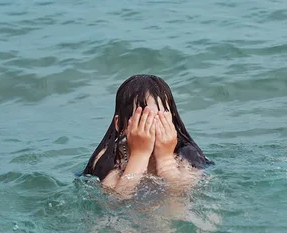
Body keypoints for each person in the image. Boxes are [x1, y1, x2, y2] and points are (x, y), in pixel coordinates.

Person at [81, 74, 212, 198]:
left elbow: (185, 194)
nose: (151, 124)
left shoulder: (186, 154)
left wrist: (165, 161)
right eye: (143, 118)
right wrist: (139, 155)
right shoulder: (111, 158)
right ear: (120, 124)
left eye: (160, 117)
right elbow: (115, 200)